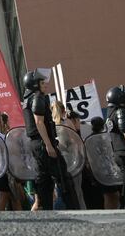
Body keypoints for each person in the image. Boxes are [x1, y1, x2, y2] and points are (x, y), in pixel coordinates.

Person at [22, 69, 79, 210]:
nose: (45, 85)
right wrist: (48, 145)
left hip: (36, 143)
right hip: (42, 143)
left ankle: (46, 211)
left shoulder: (28, 99)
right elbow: (39, 122)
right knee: (63, 177)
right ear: (35, 84)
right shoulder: (37, 97)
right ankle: (74, 210)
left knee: (44, 180)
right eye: (42, 82)